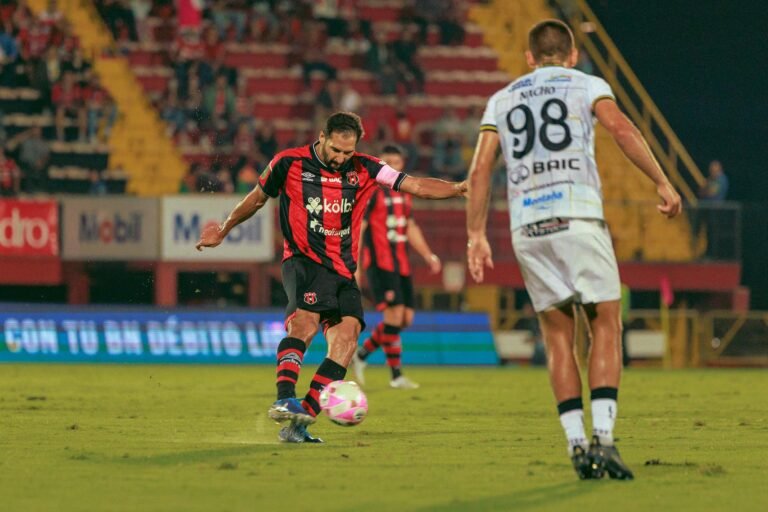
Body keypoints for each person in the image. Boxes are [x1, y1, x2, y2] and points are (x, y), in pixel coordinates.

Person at [465, 19, 682, 480]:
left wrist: (476, 234)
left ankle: (576, 445)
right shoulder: (587, 84)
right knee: (605, 321)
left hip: (527, 226)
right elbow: (622, 129)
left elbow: (481, 169)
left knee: (557, 334)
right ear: (572, 55)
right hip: (578, 214)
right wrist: (662, 181)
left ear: (529, 58)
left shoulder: (501, 99)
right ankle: (603, 439)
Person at [196, 112, 466, 444]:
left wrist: (458, 188)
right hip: (303, 261)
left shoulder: (367, 168)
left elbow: (416, 185)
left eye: (347, 153)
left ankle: (300, 422)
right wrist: (224, 230)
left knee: (347, 341)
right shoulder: (289, 162)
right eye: (336, 150)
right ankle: (284, 397)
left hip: (343, 269)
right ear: (322, 137)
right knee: (305, 325)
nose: (340, 159)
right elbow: (256, 199)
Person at [350, 144, 442, 390]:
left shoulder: (405, 194)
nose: (392, 165)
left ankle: (362, 354)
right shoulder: (372, 193)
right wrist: (354, 264)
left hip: (401, 263)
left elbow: (410, 227)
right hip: (380, 263)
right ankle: (396, 375)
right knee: (394, 315)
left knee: (406, 319)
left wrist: (428, 255)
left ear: (402, 165)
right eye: (387, 161)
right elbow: (361, 228)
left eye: (396, 161)